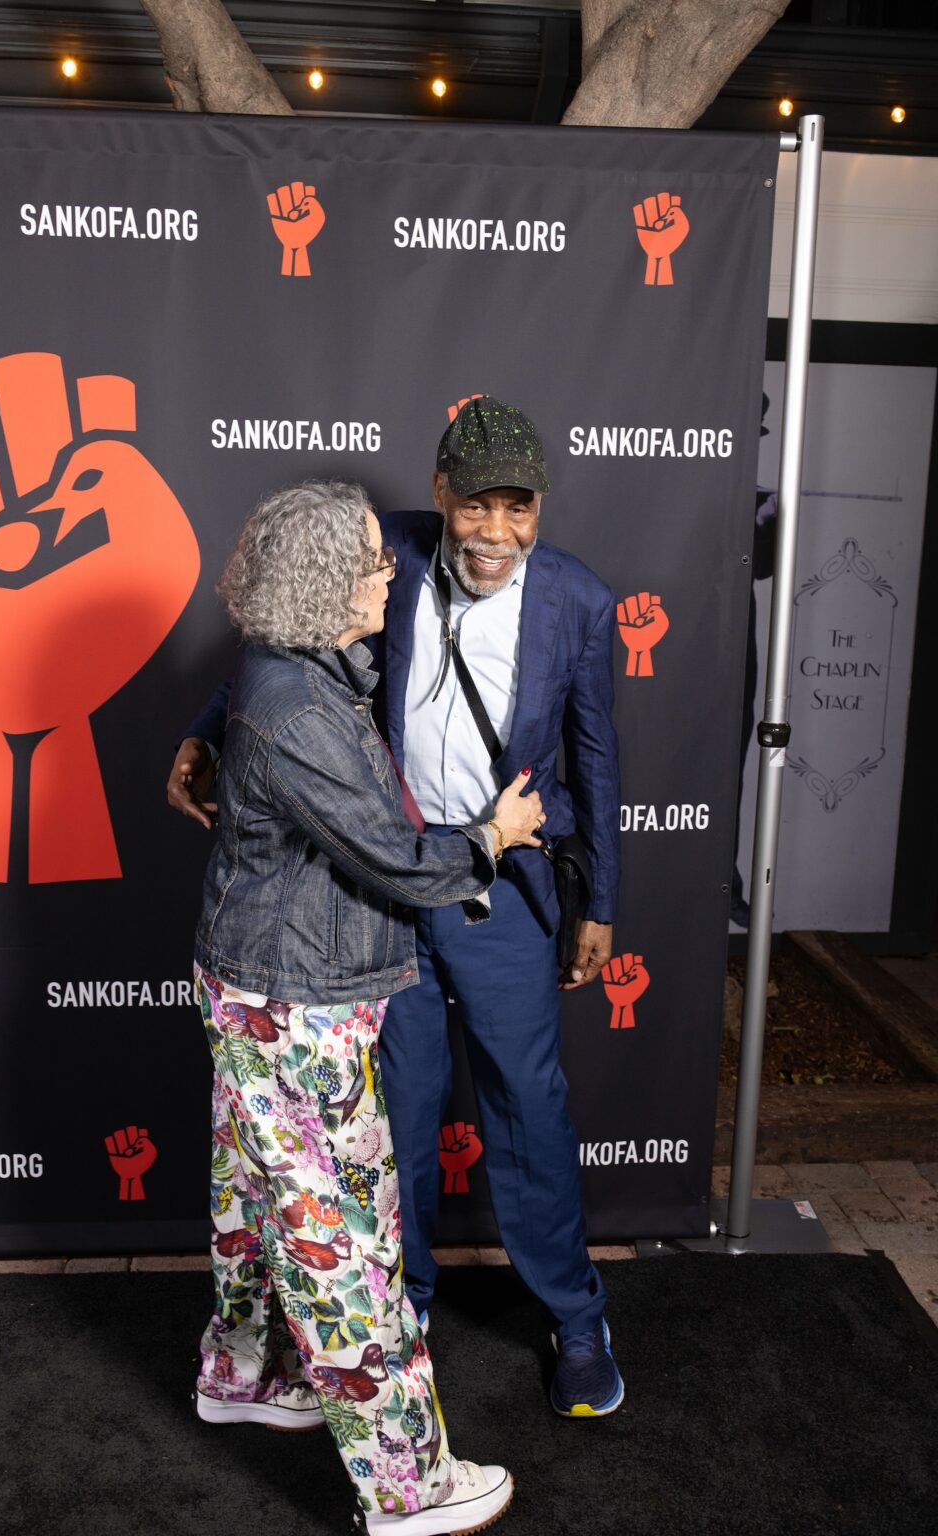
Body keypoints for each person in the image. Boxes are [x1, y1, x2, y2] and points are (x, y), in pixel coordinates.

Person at [173, 398, 624, 1419]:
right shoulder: (393, 560)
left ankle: (575, 1316)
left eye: (519, 509)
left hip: (501, 888)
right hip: (381, 890)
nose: (496, 533)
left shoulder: (578, 603)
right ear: (439, 496)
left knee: (530, 1106)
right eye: (477, 507)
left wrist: (600, 895)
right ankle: (398, 1312)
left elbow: (594, 757)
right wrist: (207, 730)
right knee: (395, 1116)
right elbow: (275, 642)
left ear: (540, 507)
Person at [192, 478, 545, 1534]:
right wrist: (495, 836)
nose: (392, 571)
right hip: (291, 1002)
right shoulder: (294, 704)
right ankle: (405, 1486)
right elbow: (394, 856)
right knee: (339, 1240)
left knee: (255, 1204)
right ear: (320, 586)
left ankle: (243, 1372)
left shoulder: (298, 671)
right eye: (373, 564)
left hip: (269, 983)